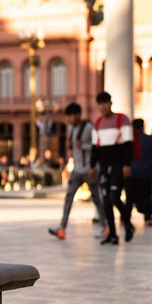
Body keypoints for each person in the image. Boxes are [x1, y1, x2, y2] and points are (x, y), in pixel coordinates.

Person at [48, 102, 104, 240]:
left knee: (97, 199)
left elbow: (97, 147)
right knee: (68, 198)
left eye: (70, 116)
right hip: (77, 170)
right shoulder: (72, 129)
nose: (68, 120)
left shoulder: (89, 127)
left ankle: (105, 226)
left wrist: (83, 147)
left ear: (78, 115)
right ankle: (62, 228)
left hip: (89, 170)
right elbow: (74, 147)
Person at [90, 91, 133, 245]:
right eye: (100, 104)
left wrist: (127, 164)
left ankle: (128, 224)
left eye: (105, 103)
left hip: (118, 166)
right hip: (104, 167)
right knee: (106, 201)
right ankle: (112, 234)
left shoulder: (122, 119)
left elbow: (128, 144)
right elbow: (95, 148)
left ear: (110, 103)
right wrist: (92, 166)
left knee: (115, 197)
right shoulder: (98, 123)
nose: (103, 107)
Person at [125, 119, 152, 228]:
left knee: (130, 197)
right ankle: (148, 218)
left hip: (132, 172)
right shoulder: (150, 139)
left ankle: (126, 217)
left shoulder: (129, 139)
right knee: (147, 195)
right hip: (146, 172)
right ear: (142, 126)